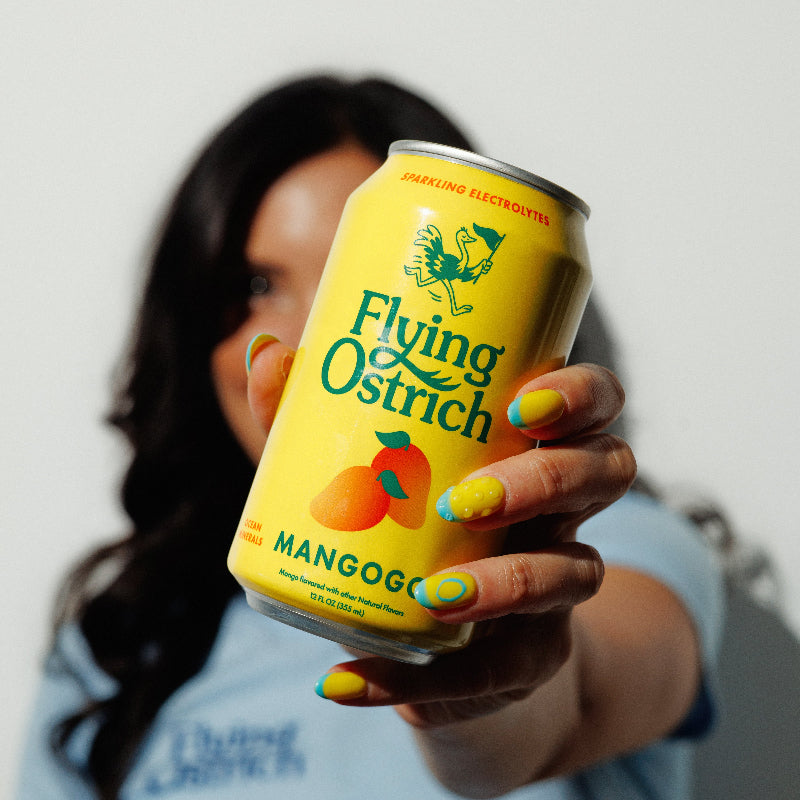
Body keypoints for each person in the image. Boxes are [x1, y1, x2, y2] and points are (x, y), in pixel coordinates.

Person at [16, 74, 724, 799]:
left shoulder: (605, 548)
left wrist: (477, 688)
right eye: (259, 286)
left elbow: (580, 697)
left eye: (358, 278)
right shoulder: (120, 643)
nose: (311, 333)